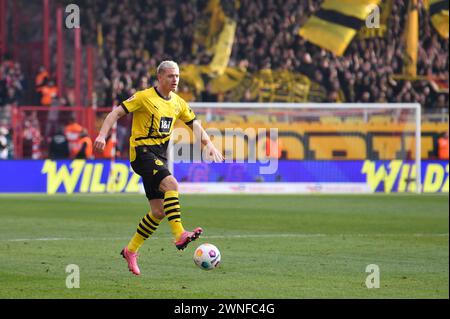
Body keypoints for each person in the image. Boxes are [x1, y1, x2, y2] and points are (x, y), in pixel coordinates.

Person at [94, 61, 223, 276]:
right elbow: (115, 113)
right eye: (171, 76)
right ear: (160, 77)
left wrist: (208, 144)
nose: (175, 80)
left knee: (158, 212)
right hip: (142, 153)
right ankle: (180, 234)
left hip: (159, 157)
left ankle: (130, 250)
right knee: (172, 184)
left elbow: (194, 124)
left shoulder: (178, 103)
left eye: (178, 76)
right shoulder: (144, 97)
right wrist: (101, 135)